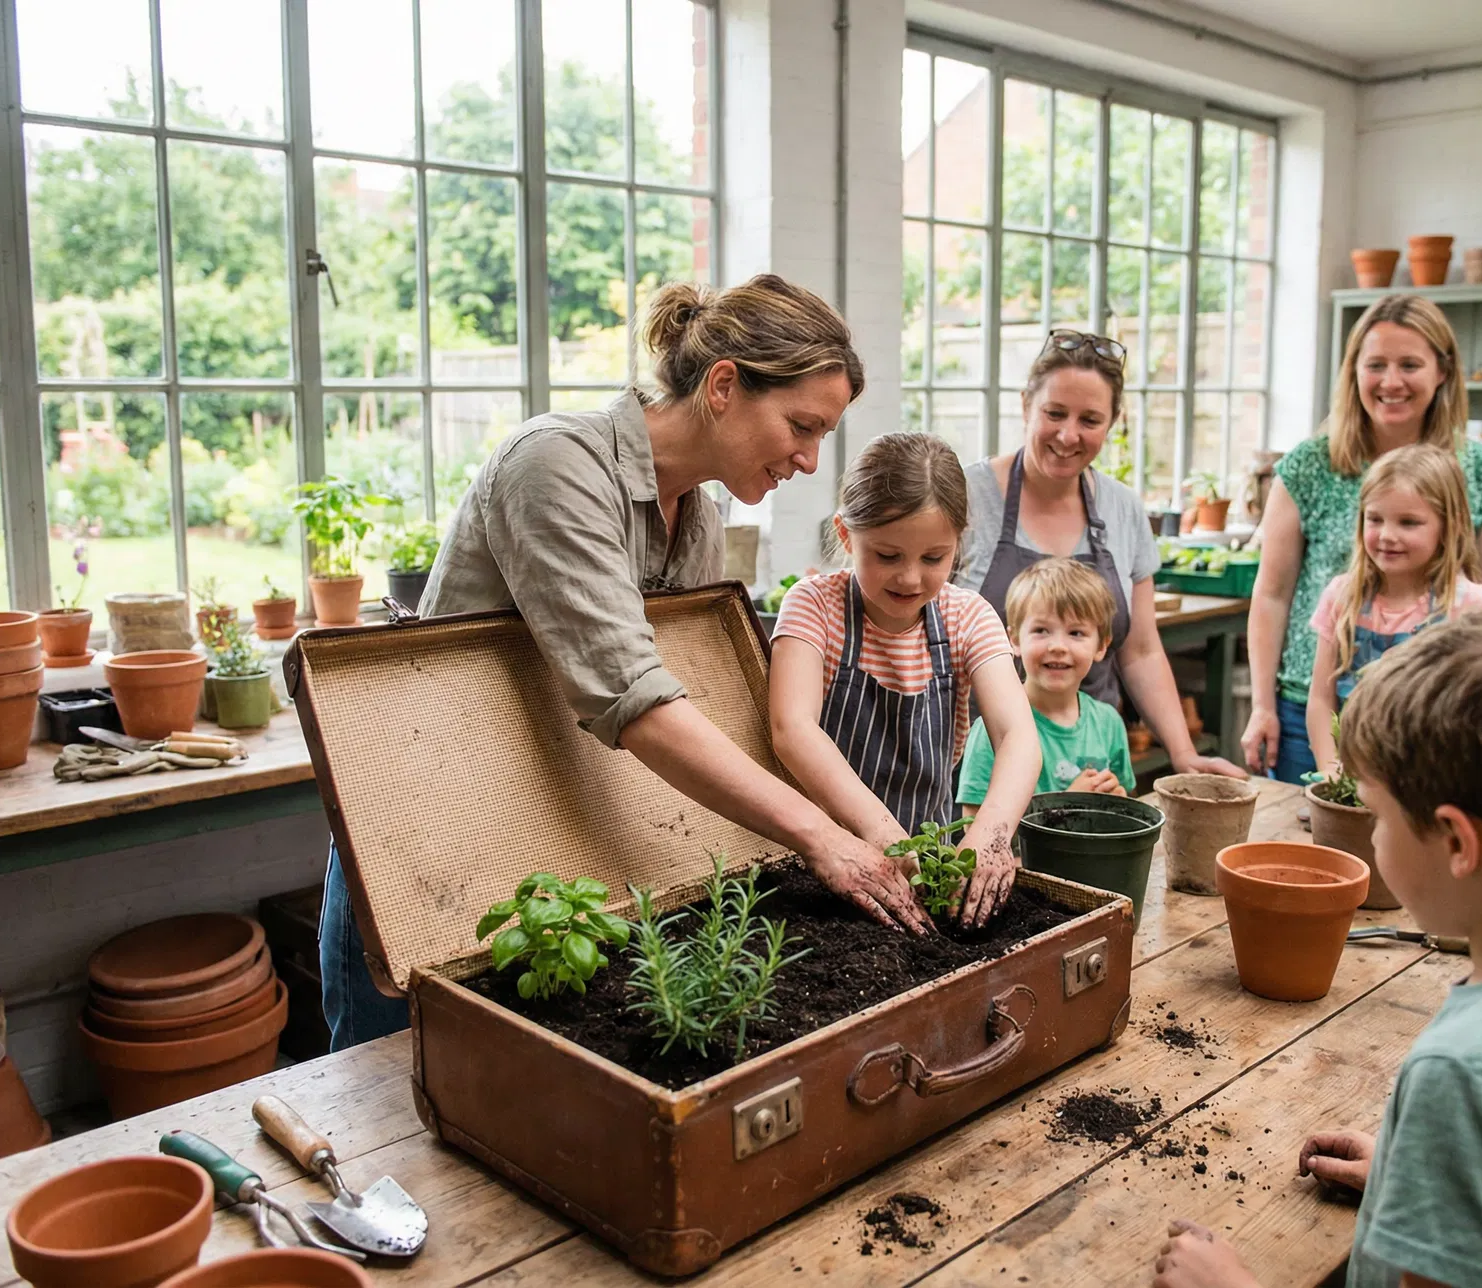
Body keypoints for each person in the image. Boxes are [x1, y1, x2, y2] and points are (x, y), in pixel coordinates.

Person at [320, 274, 931, 1051]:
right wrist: (822, 838)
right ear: (722, 386)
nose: (810, 461)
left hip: (536, 838)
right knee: (380, 1104)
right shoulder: (556, 464)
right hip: (418, 849)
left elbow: (690, 691)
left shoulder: (697, 519)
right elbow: (636, 701)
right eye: (801, 427)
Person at [1154, 606, 1482, 1288]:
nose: (1371, 839)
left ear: (1458, 843)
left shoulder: (1464, 1074)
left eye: (1378, 814)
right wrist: (1431, 1184)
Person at [769, 432, 1038, 929]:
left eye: (933, 558)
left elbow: (1018, 736)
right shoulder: (814, 607)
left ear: (959, 541)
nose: (911, 578)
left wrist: (990, 834)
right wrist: (881, 837)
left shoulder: (967, 617)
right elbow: (792, 729)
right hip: (821, 866)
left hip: (929, 875)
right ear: (846, 536)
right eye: (887, 556)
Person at [1242, 296, 1482, 784]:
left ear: (1443, 371)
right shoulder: (1310, 464)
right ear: (1354, 372)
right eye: (1376, 365)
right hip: (1312, 714)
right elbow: (1272, 592)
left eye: (1410, 364)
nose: (1391, 382)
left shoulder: (1479, 469)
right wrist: (1262, 705)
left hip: (1431, 723)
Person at [954, 330, 1243, 780]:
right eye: (1054, 413)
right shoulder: (966, 496)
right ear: (1026, 404)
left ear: (1112, 422)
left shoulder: (1122, 508)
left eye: (1090, 419)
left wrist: (1184, 754)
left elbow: (1142, 651)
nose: (1069, 435)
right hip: (977, 761)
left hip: (1088, 762)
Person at [1305, 445, 1482, 771]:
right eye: (1375, 519)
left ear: (1449, 527)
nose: (1387, 535)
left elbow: (1477, 717)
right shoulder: (1342, 595)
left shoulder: (1469, 606)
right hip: (1353, 775)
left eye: (1408, 522)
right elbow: (1321, 700)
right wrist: (1330, 769)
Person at [958, 557, 1134, 812]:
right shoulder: (992, 728)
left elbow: (1122, 806)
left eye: (1076, 633)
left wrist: (1116, 800)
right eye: (1041, 630)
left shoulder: (1109, 723)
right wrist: (1066, 805)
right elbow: (973, 824)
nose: (1058, 646)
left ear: (1102, 645)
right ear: (1014, 639)